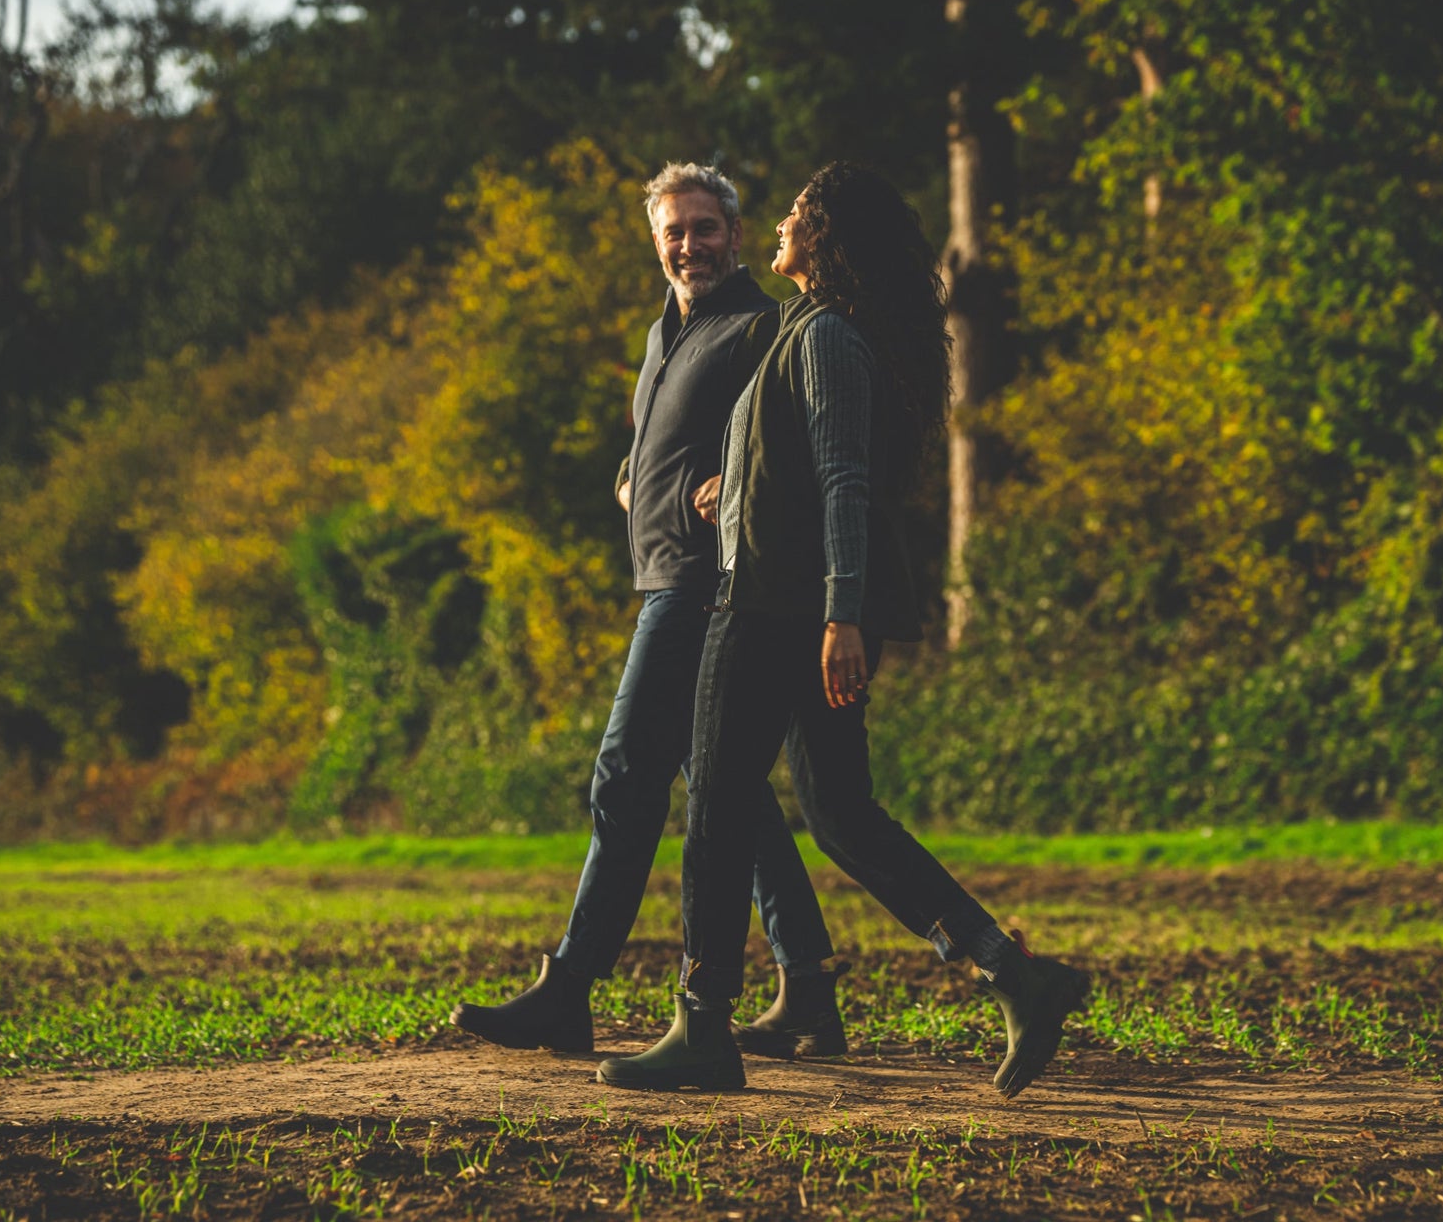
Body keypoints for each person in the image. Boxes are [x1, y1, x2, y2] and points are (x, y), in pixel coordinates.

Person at [595, 162, 1089, 1098]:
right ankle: (1013, 971)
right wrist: (722, 490)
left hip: (773, 612)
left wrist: (842, 616)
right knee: (840, 814)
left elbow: (845, 485)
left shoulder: (822, 337)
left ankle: (703, 1030)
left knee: (717, 812)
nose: (779, 221)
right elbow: (788, 467)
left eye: (794, 214)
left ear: (821, 238)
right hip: (792, 606)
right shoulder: (806, 331)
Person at [451, 163, 849, 1059]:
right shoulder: (662, 332)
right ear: (655, 240)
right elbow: (658, 439)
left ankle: (570, 986)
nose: (689, 245)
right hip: (662, 570)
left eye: (705, 228)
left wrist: (732, 485)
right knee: (725, 786)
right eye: (674, 231)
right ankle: (809, 984)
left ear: (736, 235)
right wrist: (635, 476)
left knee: (627, 772)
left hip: (709, 586)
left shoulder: (758, 326)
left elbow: (784, 443)